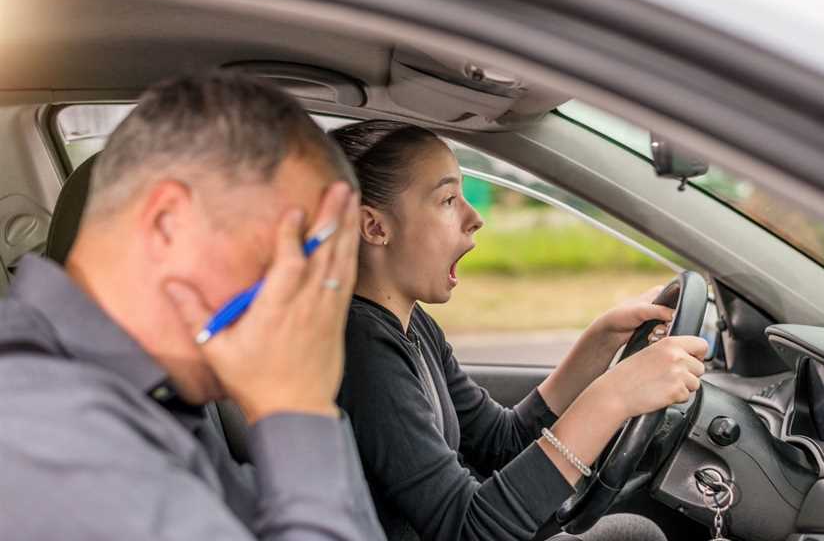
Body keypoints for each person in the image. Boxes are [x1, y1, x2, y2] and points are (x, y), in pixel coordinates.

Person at [0, 72, 386, 540]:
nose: (307, 302)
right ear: (168, 224)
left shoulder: (157, 401)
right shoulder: (41, 425)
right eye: (290, 261)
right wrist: (297, 409)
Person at [331, 120, 708, 541]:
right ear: (375, 227)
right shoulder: (361, 348)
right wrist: (614, 398)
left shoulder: (411, 325)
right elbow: (470, 530)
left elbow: (500, 442)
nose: (475, 218)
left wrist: (602, 339)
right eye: (448, 200)